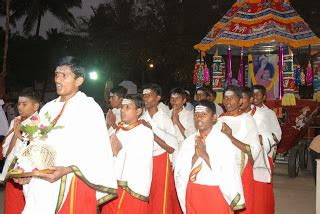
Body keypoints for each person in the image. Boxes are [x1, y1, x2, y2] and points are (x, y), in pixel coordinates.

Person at [13, 56, 118, 213]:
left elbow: (97, 150)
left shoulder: (89, 108)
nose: (58, 80)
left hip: (73, 180)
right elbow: (36, 143)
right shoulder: (48, 108)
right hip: (42, 182)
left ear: (79, 81)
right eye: (56, 74)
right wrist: (25, 170)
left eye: (64, 75)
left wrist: (67, 169)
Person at [174, 100, 245, 213]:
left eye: (204, 114)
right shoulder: (188, 142)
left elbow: (228, 171)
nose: (199, 118)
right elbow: (180, 171)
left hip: (215, 193)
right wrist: (195, 156)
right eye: (196, 115)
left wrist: (205, 155)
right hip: (193, 192)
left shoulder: (223, 141)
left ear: (214, 117)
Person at [101, 94, 154, 214]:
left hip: (132, 188)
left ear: (138, 111)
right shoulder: (118, 129)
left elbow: (141, 162)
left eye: (127, 107)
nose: (122, 110)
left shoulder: (145, 133)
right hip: (114, 185)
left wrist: (120, 152)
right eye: (122, 107)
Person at [219, 85, 261, 214]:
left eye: (232, 98)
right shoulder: (219, 119)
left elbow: (254, 149)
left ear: (240, 101)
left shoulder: (247, 120)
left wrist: (230, 137)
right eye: (226, 98)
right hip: (221, 171)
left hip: (241, 170)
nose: (227, 101)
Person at [141, 83, 180, 214]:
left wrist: (151, 133)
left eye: (149, 95)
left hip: (160, 160)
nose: (146, 98)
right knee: (146, 193)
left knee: (159, 196)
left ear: (158, 98)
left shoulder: (164, 118)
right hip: (145, 160)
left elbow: (171, 148)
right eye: (144, 95)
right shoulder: (141, 117)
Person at [0, 91, 40, 214]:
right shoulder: (15, 121)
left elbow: (37, 149)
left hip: (26, 175)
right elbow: (8, 149)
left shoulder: (39, 123)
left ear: (35, 106)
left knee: (24, 207)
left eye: (24, 104)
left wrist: (18, 134)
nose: (19, 107)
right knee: (11, 207)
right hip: (12, 171)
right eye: (18, 104)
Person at [240, 87, 273, 214]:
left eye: (243, 98)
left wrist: (261, 139)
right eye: (240, 98)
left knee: (257, 198)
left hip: (256, 159)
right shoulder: (231, 115)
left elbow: (271, 136)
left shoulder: (262, 115)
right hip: (238, 162)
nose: (241, 101)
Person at [252, 84, 282, 214]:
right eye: (253, 94)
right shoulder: (246, 110)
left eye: (258, 94)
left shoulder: (269, 113)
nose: (254, 97)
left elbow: (277, 134)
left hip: (264, 153)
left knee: (262, 188)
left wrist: (263, 142)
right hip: (247, 154)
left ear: (264, 97)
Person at [168, 88, 196, 166]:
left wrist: (177, 122)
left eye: (177, 98)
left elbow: (191, 137)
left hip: (183, 152)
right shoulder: (166, 114)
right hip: (168, 152)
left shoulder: (190, 115)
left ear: (184, 101)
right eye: (172, 98)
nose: (174, 101)